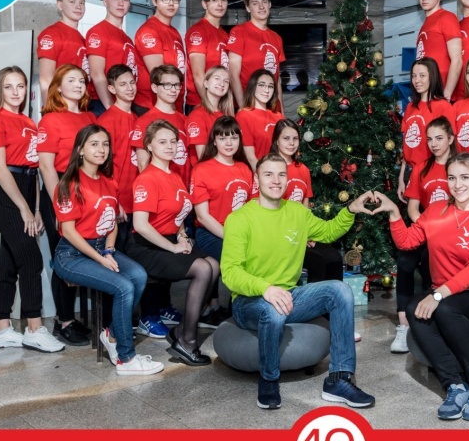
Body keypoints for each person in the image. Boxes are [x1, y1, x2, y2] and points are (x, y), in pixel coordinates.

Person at [221, 153, 376, 410]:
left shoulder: (297, 212)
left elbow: (328, 231)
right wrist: (265, 289)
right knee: (273, 311)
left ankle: (339, 380)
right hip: (249, 301)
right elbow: (230, 272)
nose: (276, 180)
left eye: (281, 175)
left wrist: (350, 210)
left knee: (340, 290)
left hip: (289, 294)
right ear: (256, 180)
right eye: (268, 174)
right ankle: (269, 380)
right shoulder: (239, 219)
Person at [373, 153, 469, 421]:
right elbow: (407, 242)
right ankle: (454, 385)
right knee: (414, 308)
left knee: (444, 308)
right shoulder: (436, 211)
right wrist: (394, 213)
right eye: (452, 178)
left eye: (465, 177)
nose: (458, 184)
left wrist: (437, 295)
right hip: (447, 296)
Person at [52, 125, 163, 376]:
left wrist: (109, 251)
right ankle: (126, 358)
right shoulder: (68, 183)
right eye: (94, 144)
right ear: (80, 150)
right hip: (72, 254)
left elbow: (111, 222)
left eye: (105, 144)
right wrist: (100, 259)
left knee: (139, 276)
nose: (101, 149)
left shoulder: (108, 181)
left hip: (102, 248)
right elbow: (68, 231)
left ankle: (112, 334)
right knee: (123, 286)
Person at [0, 66, 63, 353]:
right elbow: (0, 169)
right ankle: (34, 329)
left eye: (20, 86)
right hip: (4, 191)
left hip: (27, 187)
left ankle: (1, 328)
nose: (16, 92)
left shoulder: (29, 122)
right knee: (30, 258)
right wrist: (24, 209)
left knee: (10, 259)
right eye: (8, 87)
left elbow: (35, 169)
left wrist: (36, 208)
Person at [127, 120, 220, 365]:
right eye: (162, 142)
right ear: (149, 146)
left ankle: (180, 330)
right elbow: (141, 225)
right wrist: (173, 247)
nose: (170, 146)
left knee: (213, 264)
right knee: (203, 269)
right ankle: (187, 341)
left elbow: (177, 214)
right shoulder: (147, 178)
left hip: (169, 240)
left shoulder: (174, 175)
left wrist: (182, 236)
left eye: (173, 141)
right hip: (145, 247)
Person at [37, 64, 97, 346]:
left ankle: (71, 318)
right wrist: (60, 205)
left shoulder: (89, 117)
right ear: (58, 87)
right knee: (64, 257)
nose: (78, 85)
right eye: (71, 80)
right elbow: (46, 167)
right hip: (60, 191)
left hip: (87, 192)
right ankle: (63, 322)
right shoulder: (50, 120)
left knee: (81, 257)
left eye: (81, 80)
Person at [392, 117, 456, 353]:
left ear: (450, 139)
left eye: (439, 138)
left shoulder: (459, 166)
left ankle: (433, 320)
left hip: (452, 230)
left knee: (432, 260)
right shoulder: (421, 167)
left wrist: (441, 232)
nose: (434, 144)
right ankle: (404, 326)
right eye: (429, 139)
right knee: (405, 260)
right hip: (425, 227)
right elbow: (412, 208)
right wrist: (429, 228)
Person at [190, 116, 254, 326]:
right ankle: (240, 314)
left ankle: (242, 310)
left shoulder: (244, 169)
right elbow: (202, 216)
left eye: (234, 137)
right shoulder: (202, 169)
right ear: (214, 141)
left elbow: (251, 208)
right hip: (210, 233)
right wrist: (232, 237)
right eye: (223, 138)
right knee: (242, 260)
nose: (229, 143)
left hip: (239, 232)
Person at [269, 119, 344, 283]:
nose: (291, 143)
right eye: (286, 138)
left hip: (301, 231)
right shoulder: (269, 168)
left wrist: (306, 233)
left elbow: (305, 207)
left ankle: (331, 299)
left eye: (295, 139)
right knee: (317, 262)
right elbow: (267, 211)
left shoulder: (302, 169)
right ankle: (310, 299)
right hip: (280, 235)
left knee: (334, 258)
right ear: (276, 141)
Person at [87, 0, 151, 113]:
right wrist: (111, 108)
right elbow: (96, 73)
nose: (120, 3)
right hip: (103, 103)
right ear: (105, 2)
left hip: (124, 103)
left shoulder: (126, 38)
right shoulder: (98, 31)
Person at [399, 58, 456, 201]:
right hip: (409, 172)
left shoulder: (444, 107)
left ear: (432, 76)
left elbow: (450, 146)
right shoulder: (410, 107)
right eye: (414, 76)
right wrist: (401, 177)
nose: (417, 80)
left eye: (422, 75)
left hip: (431, 172)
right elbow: (407, 146)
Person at [97, 64, 139, 252]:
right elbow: (100, 166)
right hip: (118, 203)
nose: (130, 88)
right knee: (117, 256)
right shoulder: (107, 120)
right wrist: (114, 201)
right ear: (112, 89)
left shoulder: (138, 118)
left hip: (137, 201)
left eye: (132, 83)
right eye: (123, 84)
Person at [136, 0, 191, 109]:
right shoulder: (149, 31)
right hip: (152, 106)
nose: (171, 3)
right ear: (155, 1)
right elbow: (159, 76)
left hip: (174, 104)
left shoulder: (174, 32)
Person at [131, 65, 191, 185]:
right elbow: (143, 163)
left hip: (183, 187)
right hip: (160, 187)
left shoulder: (186, 120)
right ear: (154, 88)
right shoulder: (145, 120)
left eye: (176, 85)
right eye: (167, 85)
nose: (173, 90)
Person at [228, 0, 285, 106]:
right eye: (255, 3)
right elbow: (233, 75)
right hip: (249, 104)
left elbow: (277, 79)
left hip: (272, 107)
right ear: (248, 8)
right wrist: (243, 108)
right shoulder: (239, 32)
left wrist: (281, 111)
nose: (261, 7)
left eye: (264, 2)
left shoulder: (276, 38)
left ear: (269, 4)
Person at [37, 0, 90, 104]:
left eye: (82, 3)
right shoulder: (52, 34)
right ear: (60, 5)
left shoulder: (82, 39)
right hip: (61, 106)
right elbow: (46, 79)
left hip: (82, 105)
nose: (78, 6)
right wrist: (50, 110)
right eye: (72, 2)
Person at [415, 0, 462, 100]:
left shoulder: (446, 18)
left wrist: (446, 94)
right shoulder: (425, 25)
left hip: (442, 95)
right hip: (428, 95)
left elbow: (457, 60)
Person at [186, 0, 230, 110]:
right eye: (214, 0)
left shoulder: (225, 35)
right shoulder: (198, 31)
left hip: (221, 102)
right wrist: (210, 106)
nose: (220, 4)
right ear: (204, 4)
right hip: (201, 103)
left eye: (223, 0)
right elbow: (198, 75)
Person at [237, 69, 284, 170]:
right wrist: (263, 176)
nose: (266, 90)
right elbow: (250, 157)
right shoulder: (243, 115)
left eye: (270, 86)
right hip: (256, 172)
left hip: (279, 172)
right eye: (262, 85)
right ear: (253, 87)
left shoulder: (279, 116)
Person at [187, 65, 235, 162]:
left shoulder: (228, 115)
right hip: (208, 168)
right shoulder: (197, 115)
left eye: (226, 81)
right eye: (217, 78)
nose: (222, 84)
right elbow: (202, 156)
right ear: (206, 84)